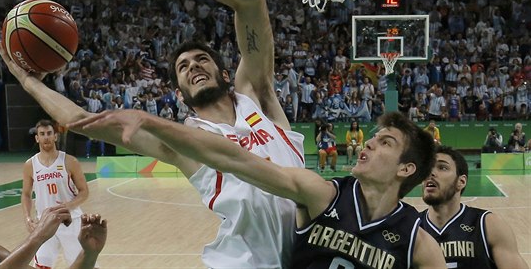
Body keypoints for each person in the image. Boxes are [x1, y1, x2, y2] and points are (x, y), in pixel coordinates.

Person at [0, 0, 305, 268]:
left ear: (223, 72)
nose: (194, 67)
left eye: (201, 59)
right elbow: (80, 120)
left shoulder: (258, 97)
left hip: (310, 255)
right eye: (183, 67)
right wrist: (28, 82)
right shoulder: (183, 141)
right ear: (179, 93)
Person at [69, 110, 447, 268]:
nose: (367, 144)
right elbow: (235, 159)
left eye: (385, 144)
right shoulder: (321, 195)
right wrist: (150, 122)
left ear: (406, 168)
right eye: (373, 137)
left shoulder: (419, 243)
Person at [421, 146, 529, 268]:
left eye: (442, 167)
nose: (431, 173)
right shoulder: (412, 228)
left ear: (461, 182)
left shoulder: (488, 225)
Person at [22, 120, 91, 269]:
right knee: (41, 265)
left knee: (81, 265)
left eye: (49, 133)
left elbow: (84, 191)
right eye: (42, 134)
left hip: (71, 221)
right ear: (37, 138)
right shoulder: (30, 165)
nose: (46, 137)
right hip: (45, 223)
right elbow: (26, 194)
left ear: (55, 137)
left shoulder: (69, 161)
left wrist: (69, 205)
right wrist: (28, 217)